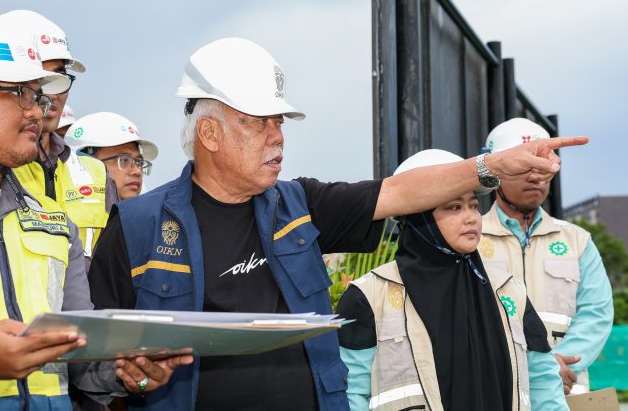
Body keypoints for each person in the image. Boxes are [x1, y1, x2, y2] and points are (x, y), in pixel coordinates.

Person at [87, 37, 587, 410]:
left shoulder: (301, 205)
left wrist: (491, 168)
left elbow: (400, 191)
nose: (277, 137)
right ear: (210, 134)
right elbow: (93, 360)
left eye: (279, 122)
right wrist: (129, 375)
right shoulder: (136, 227)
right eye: (259, 123)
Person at [0, 12, 190, 411]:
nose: (36, 112)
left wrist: (127, 370)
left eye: (37, 96)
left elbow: (79, 350)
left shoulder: (53, 220)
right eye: (17, 93)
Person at [337, 149, 567, 411]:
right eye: (454, 207)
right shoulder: (368, 297)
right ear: (416, 214)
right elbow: (349, 394)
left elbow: (544, 386)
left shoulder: (508, 292)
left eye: (474, 206)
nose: (471, 218)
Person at [479, 117, 613, 395]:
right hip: (497, 386)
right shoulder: (471, 240)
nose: (535, 177)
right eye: (524, 167)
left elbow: (597, 313)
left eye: (543, 167)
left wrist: (555, 367)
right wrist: (537, 368)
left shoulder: (577, 241)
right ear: (495, 172)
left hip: (565, 388)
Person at [5, 10, 118, 263]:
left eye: (60, 77)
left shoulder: (96, 174)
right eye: (40, 79)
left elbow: (113, 271)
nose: (52, 94)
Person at [65, 112, 158, 200]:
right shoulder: (59, 209)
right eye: (123, 160)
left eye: (139, 163)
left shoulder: (148, 209)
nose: (137, 172)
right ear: (83, 164)